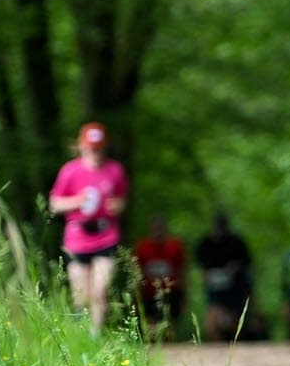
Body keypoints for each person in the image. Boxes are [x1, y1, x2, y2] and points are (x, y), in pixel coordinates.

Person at [47, 122, 130, 334]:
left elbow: (122, 199)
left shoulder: (115, 170)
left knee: (100, 291)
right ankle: (81, 336)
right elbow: (55, 204)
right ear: (81, 146)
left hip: (106, 236)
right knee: (81, 296)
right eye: (91, 148)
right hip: (77, 238)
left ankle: (95, 336)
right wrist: (77, 202)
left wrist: (118, 206)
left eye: (99, 148)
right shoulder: (70, 171)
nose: (95, 153)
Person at [195, 211, 259, 341]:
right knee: (213, 315)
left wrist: (235, 267)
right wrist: (206, 274)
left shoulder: (236, 242)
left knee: (235, 319)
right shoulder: (206, 243)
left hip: (235, 288)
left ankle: (235, 339)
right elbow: (200, 265)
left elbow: (247, 262)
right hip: (214, 287)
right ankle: (218, 342)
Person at [132, 213, 187, 340]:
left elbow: (182, 271)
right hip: (149, 294)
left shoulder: (175, 246)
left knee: (169, 327)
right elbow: (137, 273)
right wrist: (136, 296)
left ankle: (169, 346)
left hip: (171, 293)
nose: (158, 231)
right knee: (151, 329)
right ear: (151, 228)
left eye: (160, 228)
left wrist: (184, 295)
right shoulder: (142, 247)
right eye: (156, 228)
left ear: (165, 229)